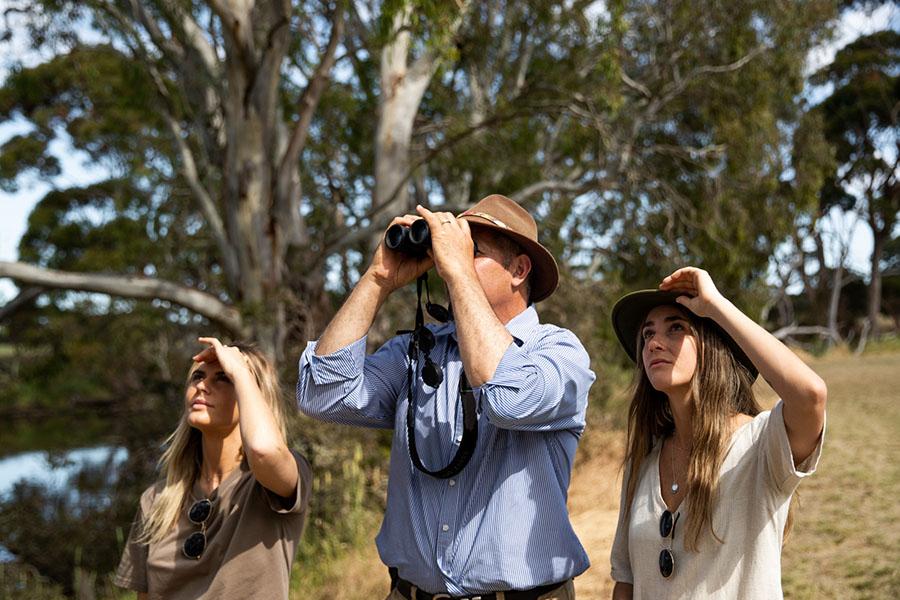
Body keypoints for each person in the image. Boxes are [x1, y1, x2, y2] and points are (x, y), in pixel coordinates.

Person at [297, 195, 595, 600]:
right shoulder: (417, 352)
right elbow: (321, 394)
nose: (446, 260)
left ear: (519, 270)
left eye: (473, 251)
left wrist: (459, 274)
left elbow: (508, 399)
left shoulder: (558, 352)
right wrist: (378, 278)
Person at [608, 267, 827, 599]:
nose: (653, 343)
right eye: (647, 334)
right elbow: (625, 580)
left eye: (676, 328)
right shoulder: (644, 459)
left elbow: (811, 395)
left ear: (712, 346)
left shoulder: (759, 444)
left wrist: (715, 306)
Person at [115, 338, 311, 600]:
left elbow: (263, 450)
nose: (201, 386)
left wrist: (239, 370)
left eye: (223, 378)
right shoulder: (156, 500)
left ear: (252, 395)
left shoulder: (271, 484)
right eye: (197, 376)